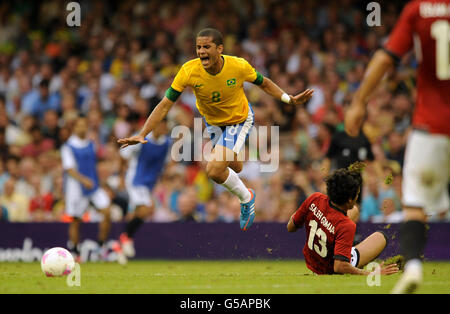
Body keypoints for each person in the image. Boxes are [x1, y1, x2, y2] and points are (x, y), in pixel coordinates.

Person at [117, 28, 314, 231]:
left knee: (213, 169)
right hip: (213, 124)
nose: (201, 51)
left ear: (220, 49)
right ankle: (240, 180)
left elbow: (263, 83)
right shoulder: (188, 71)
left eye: (206, 47)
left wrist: (287, 98)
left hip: (239, 120)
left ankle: (246, 198)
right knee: (235, 167)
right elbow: (165, 105)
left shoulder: (238, 66)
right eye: (198, 47)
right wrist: (142, 133)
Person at [345, 0, 450, 293]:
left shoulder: (418, 10)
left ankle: (413, 268)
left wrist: (359, 101)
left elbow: (386, 58)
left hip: (430, 125)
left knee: (414, 204)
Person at [287, 162, 399, 276]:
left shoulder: (315, 198)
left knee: (354, 211)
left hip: (312, 259)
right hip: (329, 268)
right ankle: (343, 251)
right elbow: (339, 266)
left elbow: (290, 227)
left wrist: (317, 216)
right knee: (381, 237)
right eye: (357, 194)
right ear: (350, 199)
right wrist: (371, 273)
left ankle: (340, 247)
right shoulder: (346, 225)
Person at [112, 119, 171, 264]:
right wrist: (121, 176)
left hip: (149, 183)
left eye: (165, 126)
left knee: (136, 214)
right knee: (146, 209)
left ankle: (119, 246)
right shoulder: (142, 139)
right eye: (160, 125)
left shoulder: (167, 143)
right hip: (136, 180)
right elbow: (123, 155)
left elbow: (162, 163)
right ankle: (126, 238)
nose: (162, 128)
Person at [61, 116, 112, 262]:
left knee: (107, 211)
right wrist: (84, 180)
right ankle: (75, 252)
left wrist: (98, 180)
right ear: (74, 128)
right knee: (76, 220)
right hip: (76, 188)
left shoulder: (91, 144)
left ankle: (101, 248)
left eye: (84, 125)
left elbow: (93, 165)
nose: (82, 128)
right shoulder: (68, 146)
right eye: (79, 126)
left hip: (94, 186)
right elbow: (69, 169)